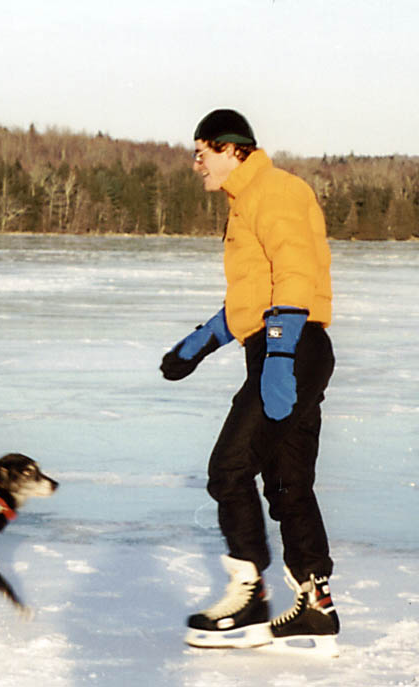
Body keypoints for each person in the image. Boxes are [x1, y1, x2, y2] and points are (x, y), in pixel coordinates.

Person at [160, 109, 340, 656]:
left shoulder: (276, 191)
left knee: (230, 469)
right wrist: (200, 342)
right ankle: (315, 606)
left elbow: (293, 270)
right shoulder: (246, 202)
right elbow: (252, 297)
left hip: (293, 349)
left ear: (232, 148)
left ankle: (250, 597)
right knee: (287, 483)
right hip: (285, 346)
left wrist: (281, 355)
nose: (196, 166)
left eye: (201, 153)